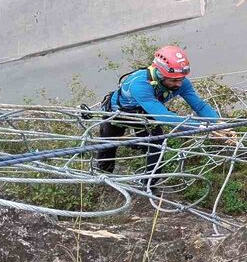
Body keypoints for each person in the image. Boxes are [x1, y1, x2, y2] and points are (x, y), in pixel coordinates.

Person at [96, 45, 228, 179]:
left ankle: (149, 184)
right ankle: (103, 176)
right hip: (118, 115)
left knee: (157, 145)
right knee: (108, 145)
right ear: (160, 74)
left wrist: (219, 124)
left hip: (146, 113)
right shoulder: (140, 84)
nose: (179, 84)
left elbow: (199, 106)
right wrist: (204, 127)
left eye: (181, 79)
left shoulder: (181, 82)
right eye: (174, 80)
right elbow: (164, 117)